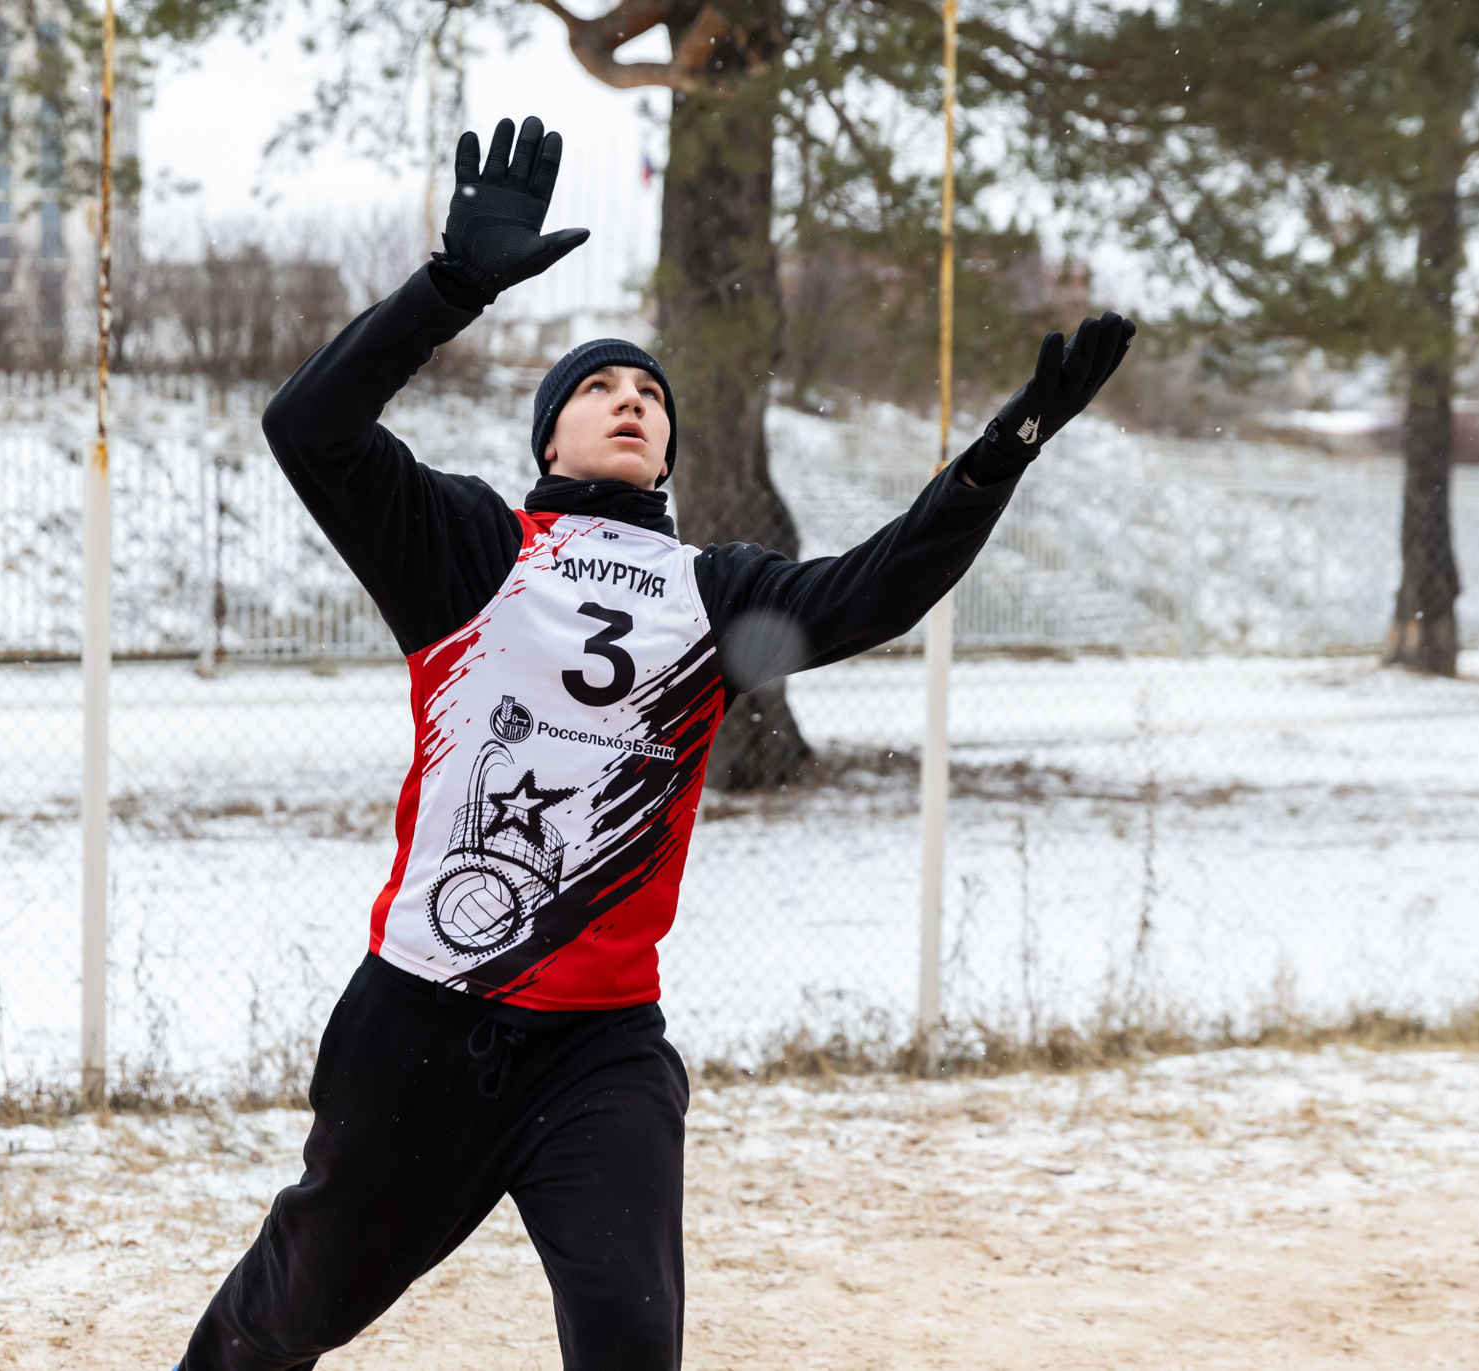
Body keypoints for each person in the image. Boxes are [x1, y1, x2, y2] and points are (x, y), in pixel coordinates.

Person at [175, 115, 1134, 1371]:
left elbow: (877, 589)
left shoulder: (714, 591)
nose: (630, 400)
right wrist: (450, 285)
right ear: (549, 440)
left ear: (670, 447)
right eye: (598, 388)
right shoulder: (473, 550)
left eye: (651, 396)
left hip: (599, 1050)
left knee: (632, 1343)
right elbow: (310, 426)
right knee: (282, 1321)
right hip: (422, 1025)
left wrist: (1003, 454)